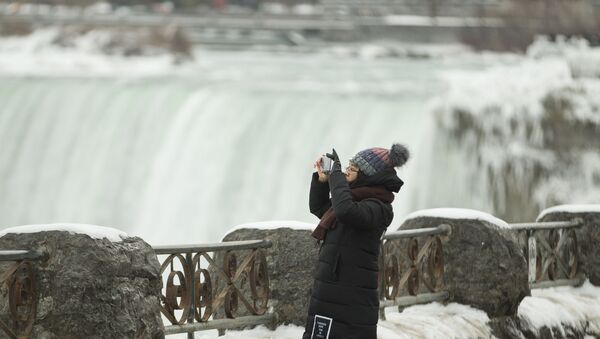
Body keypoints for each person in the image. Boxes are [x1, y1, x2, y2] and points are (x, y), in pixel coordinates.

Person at [303, 144, 409, 339]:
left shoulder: (379, 207)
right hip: (331, 291)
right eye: (346, 167)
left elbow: (345, 211)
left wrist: (335, 173)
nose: (345, 172)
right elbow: (319, 207)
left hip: (351, 296)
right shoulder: (351, 199)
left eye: (351, 168)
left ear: (368, 175)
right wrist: (322, 180)